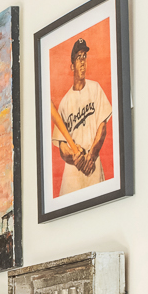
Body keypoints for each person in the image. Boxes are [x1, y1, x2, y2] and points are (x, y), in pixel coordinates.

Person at [53, 37, 112, 194]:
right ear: (72, 65)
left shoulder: (95, 88)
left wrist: (91, 155)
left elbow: (102, 126)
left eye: (84, 56)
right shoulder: (65, 102)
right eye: (78, 57)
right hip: (72, 177)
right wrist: (73, 156)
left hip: (93, 169)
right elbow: (62, 147)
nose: (82, 61)